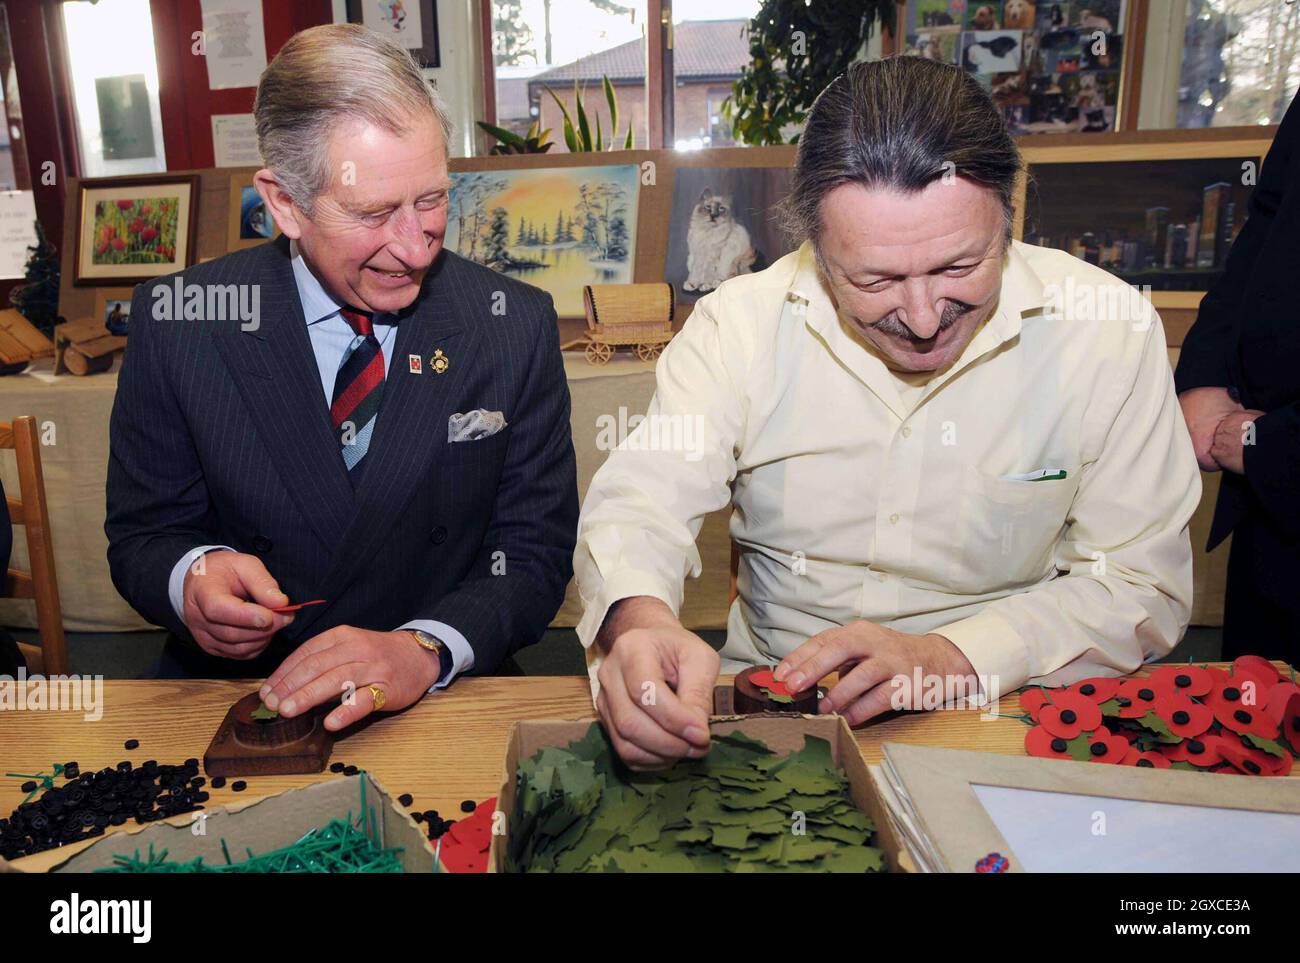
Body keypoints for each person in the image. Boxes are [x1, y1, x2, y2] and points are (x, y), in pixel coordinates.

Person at [574, 56, 1198, 768]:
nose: (925, 318)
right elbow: (641, 501)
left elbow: (1138, 581)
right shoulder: (741, 326)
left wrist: (948, 657)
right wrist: (638, 620)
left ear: (1011, 212)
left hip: (1010, 707)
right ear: (813, 245)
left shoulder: (1108, 329)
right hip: (776, 715)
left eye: (960, 267)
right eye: (875, 279)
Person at [105, 25, 577, 730]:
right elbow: (143, 536)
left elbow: (534, 555)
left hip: (446, 699)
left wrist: (422, 650)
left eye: (432, 200)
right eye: (374, 212)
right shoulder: (180, 323)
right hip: (243, 700)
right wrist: (192, 578)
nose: (414, 247)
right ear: (285, 203)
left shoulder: (513, 324)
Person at [1175, 91, 1300, 663]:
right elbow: (1265, 231)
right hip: (1265, 504)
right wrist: (1207, 374)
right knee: (1257, 720)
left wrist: (1280, 445)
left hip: (1272, 452)